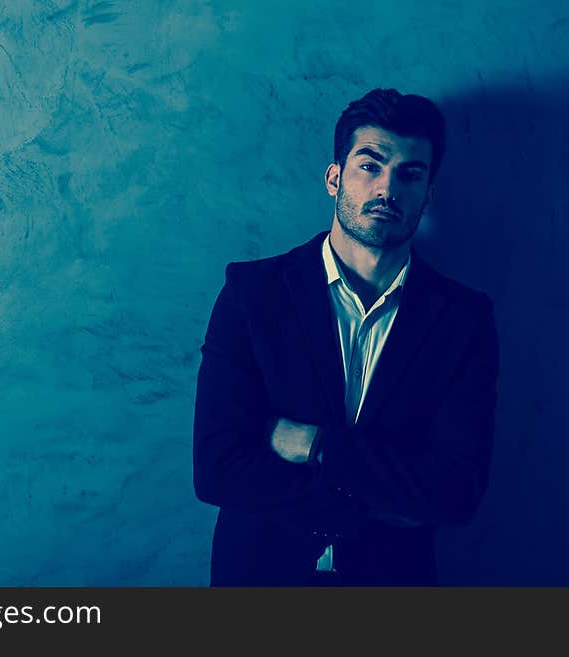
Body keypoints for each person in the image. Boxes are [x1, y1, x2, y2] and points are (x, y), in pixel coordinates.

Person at [192, 88, 500, 586]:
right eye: (370, 165)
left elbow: (455, 491)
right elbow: (216, 468)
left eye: (409, 174)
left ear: (429, 194)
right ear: (334, 178)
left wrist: (315, 445)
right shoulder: (253, 294)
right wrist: (372, 502)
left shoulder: (463, 320)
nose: (387, 189)